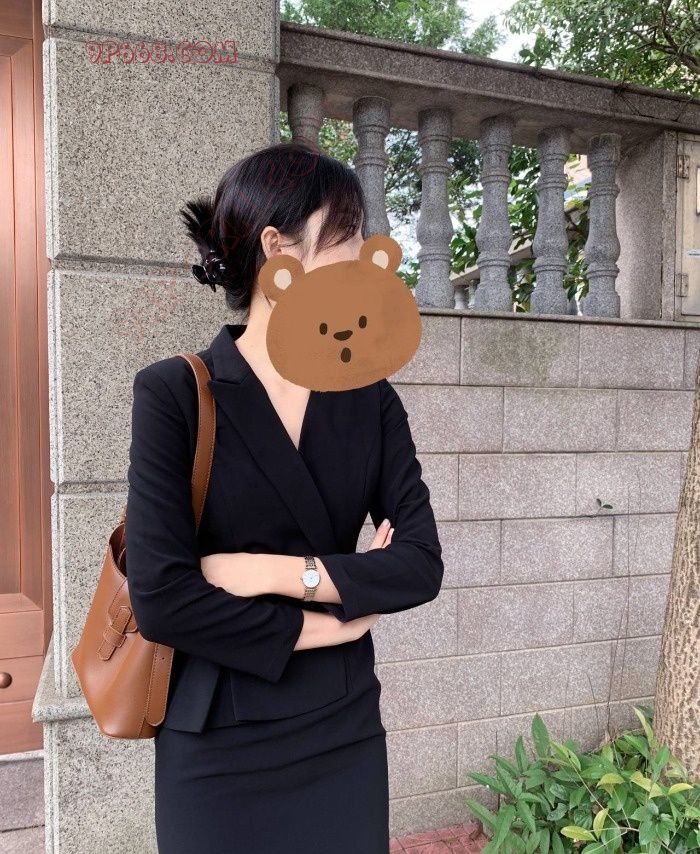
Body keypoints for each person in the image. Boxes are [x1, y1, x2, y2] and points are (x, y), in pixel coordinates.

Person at [125, 140, 444, 854]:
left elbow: (420, 565)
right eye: (348, 236)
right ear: (279, 251)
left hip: (342, 732)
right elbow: (164, 599)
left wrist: (263, 573)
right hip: (217, 743)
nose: (364, 257)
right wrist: (336, 620)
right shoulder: (176, 393)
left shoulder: (368, 397)